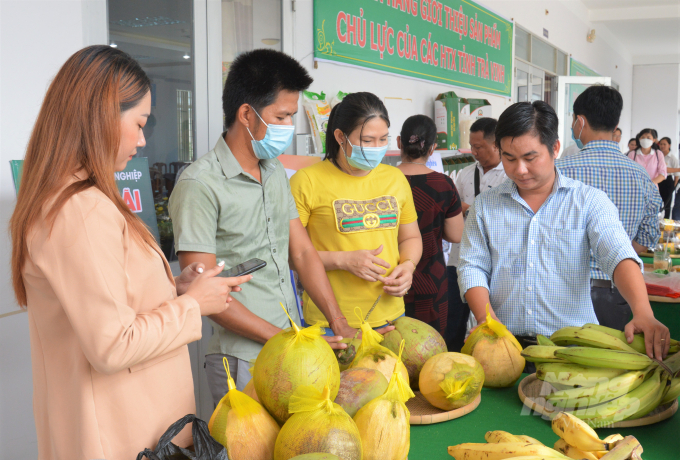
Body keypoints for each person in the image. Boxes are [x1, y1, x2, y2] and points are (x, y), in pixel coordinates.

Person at [9, 46, 252, 460]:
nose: (142, 141)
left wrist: (173, 288)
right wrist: (193, 306)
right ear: (99, 116)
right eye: (138, 124)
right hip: (119, 435)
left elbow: (105, 303)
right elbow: (112, 344)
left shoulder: (74, 200)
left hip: (134, 425)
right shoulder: (80, 210)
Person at [169, 49, 348, 402]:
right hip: (242, 358)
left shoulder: (274, 170)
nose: (288, 127)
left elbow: (301, 251)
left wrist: (338, 321)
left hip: (290, 344)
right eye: (281, 116)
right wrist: (283, 340)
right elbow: (202, 290)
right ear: (247, 114)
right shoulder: (199, 184)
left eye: (292, 117)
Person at [458, 101, 670, 363]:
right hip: (502, 346)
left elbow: (617, 254)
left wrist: (643, 311)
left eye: (530, 157)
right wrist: (486, 320)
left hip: (572, 351)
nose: (520, 169)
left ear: (555, 148)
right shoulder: (485, 206)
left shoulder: (588, 201)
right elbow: (472, 267)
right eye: (509, 158)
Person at [290, 92, 423, 335]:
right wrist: (343, 260)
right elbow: (291, 256)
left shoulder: (395, 179)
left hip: (392, 318)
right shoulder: (306, 181)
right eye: (368, 140)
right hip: (330, 323)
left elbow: (410, 238)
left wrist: (408, 266)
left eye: (383, 139)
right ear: (340, 137)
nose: (377, 147)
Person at [557, 86, 662, 331]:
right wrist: (618, 257)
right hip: (619, 293)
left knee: (562, 364)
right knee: (611, 363)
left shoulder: (559, 171)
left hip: (565, 290)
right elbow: (646, 237)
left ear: (579, 121)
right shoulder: (641, 176)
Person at [395, 115, 464, 336]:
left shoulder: (383, 181)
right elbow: (455, 234)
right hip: (430, 280)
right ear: (433, 148)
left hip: (389, 279)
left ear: (399, 142)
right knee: (428, 348)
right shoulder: (443, 184)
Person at [445, 117, 506, 351]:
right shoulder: (465, 174)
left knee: (491, 324)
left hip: (494, 262)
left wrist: (470, 210)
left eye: (479, 146)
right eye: (471, 146)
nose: (474, 152)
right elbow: (454, 210)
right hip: (459, 258)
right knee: (453, 323)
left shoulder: (508, 176)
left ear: (495, 145)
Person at [659, 137, 680, 218]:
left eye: (665, 144)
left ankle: (666, 220)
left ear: (669, 145)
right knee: (658, 202)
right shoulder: (658, 155)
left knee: (667, 204)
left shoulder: (672, 158)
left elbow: (677, 174)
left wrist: (674, 186)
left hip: (668, 182)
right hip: (659, 180)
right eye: (661, 144)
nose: (662, 146)